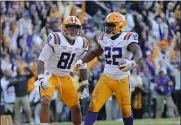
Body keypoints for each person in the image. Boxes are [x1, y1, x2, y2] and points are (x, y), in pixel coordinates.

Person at [74, 12, 144, 125]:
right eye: (106, 25)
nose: (107, 28)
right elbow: (95, 52)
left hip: (122, 79)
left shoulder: (127, 37)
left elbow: (138, 52)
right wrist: (82, 60)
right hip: (106, 78)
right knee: (93, 105)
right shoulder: (104, 38)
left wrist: (132, 62)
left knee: (126, 111)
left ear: (119, 25)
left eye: (110, 25)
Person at [36, 16, 89, 125]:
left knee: (76, 108)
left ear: (79, 29)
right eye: (70, 27)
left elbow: (83, 65)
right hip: (49, 74)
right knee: (45, 101)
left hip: (65, 76)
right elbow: (41, 60)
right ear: (64, 28)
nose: (73, 30)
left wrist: (85, 84)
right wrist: (41, 77)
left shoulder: (82, 43)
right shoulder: (56, 38)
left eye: (75, 27)